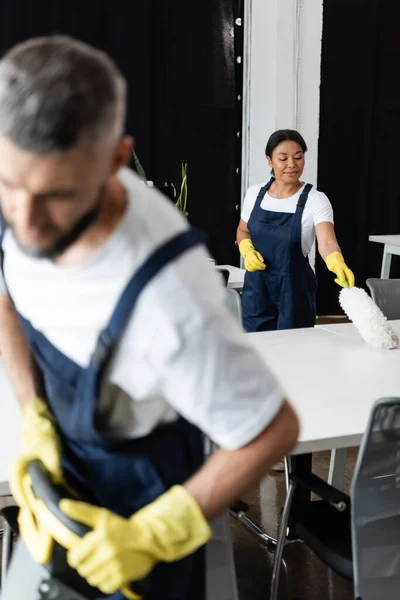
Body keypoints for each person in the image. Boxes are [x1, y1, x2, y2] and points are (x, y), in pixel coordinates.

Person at [0, 36, 299, 600]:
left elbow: (272, 429)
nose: (27, 222)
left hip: (141, 499)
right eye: (8, 187)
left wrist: (158, 532)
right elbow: (8, 297)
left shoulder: (169, 299)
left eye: (56, 196)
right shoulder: (20, 188)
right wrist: (34, 413)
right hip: (63, 468)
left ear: (116, 160)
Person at [237, 129, 355, 333]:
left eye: (298, 157)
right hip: (257, 289)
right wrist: (246, 249)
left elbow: (327, 242)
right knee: (256, 348)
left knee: (294, 349)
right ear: (270, 161)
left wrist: (336, 261)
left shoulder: (316, 199)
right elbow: (242, 230)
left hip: (294, 291)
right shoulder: (254, 194)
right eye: (283, 158)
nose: (292, 164)